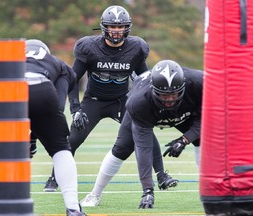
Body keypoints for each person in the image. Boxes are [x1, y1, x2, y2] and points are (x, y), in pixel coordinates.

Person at [43, 4, 179, 198]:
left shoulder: (136, 47)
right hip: (94, 101)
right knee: (72, 140)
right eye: (113, 26)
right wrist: (76, 109)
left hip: (122, 101)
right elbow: (72, 79)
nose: (117, 30)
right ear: (104, 27)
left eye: (120, 26)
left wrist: (150, 109)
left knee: (145, 130)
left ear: (127, 27)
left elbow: (146, 81)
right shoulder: (88, 47)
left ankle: (162, 175)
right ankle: (54, 177)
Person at [81, 59, 203, 209]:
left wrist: (185, 139)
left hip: (186, 113)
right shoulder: (138, 102)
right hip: (148, 114)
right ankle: (94, 194)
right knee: (121, 149)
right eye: (164, 96)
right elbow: (143, 147)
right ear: (153, 89)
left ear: (184, 86)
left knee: (202, 140)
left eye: (174, 94)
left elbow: (209, 118)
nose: (170, 100)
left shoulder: (199, 83)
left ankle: (209, 188)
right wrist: (147, 190)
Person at [25, 39, 86, 216]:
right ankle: (73, 208)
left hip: (8, 89)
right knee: (60, 148)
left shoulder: (9, 58)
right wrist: (36, 135)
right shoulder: (59, 64)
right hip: (42, 89)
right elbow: (55, 108)